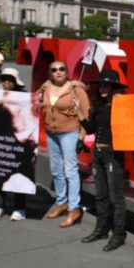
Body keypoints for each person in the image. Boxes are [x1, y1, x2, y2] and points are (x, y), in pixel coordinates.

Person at [76, 69, 128, 251]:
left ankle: (119, 234)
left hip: (113, 155)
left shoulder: (119, 105)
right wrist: (80, 114)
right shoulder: (99, 105)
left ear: (114, 87)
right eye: (101, 85)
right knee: (101, 195)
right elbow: (91, 129)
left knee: (116, 197)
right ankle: (101, 229)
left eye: (107, 85)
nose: (102, 88)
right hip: (97, 154)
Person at [39, 60, 89, 228]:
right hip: (51, 133)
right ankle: (62, 202)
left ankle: (74, 208)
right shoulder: (46, 88)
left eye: (61, 69)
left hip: (70, 132)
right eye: (54, 70)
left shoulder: (76, 89)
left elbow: (86, 114)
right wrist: (43, 85)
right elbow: (35, 100)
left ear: (67, 72)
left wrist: (81, 137)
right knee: (56, 170)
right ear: (50, 73)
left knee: (70, 170)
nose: (58, 72)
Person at [0, 67, 28, 221]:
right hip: (0, 142)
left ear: (16, 82)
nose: (6, 83)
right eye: (3, 80)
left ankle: (19, 208)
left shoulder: (25, 97)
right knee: (1, 174)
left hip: (18, 142)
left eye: (9, 80)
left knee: (20, 174)